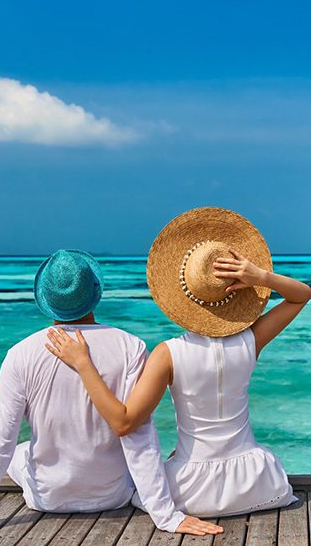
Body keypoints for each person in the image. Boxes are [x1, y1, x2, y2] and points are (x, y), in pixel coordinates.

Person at [0, 248, 223, 539]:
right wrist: (165, 515)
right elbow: (138, 436)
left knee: (15, 449)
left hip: (47, 498)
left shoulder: (21, 354)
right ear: (95, 295)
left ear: (44, 299)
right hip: (112, 494)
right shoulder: (131, 346)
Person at [46, 208, 311, 519]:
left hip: (191, 491)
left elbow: (124, 422)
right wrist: (260, 277)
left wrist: (83, 364)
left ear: (182, 295)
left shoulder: (168, 353)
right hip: (259, 483)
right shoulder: (250, 342)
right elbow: (301, 295)